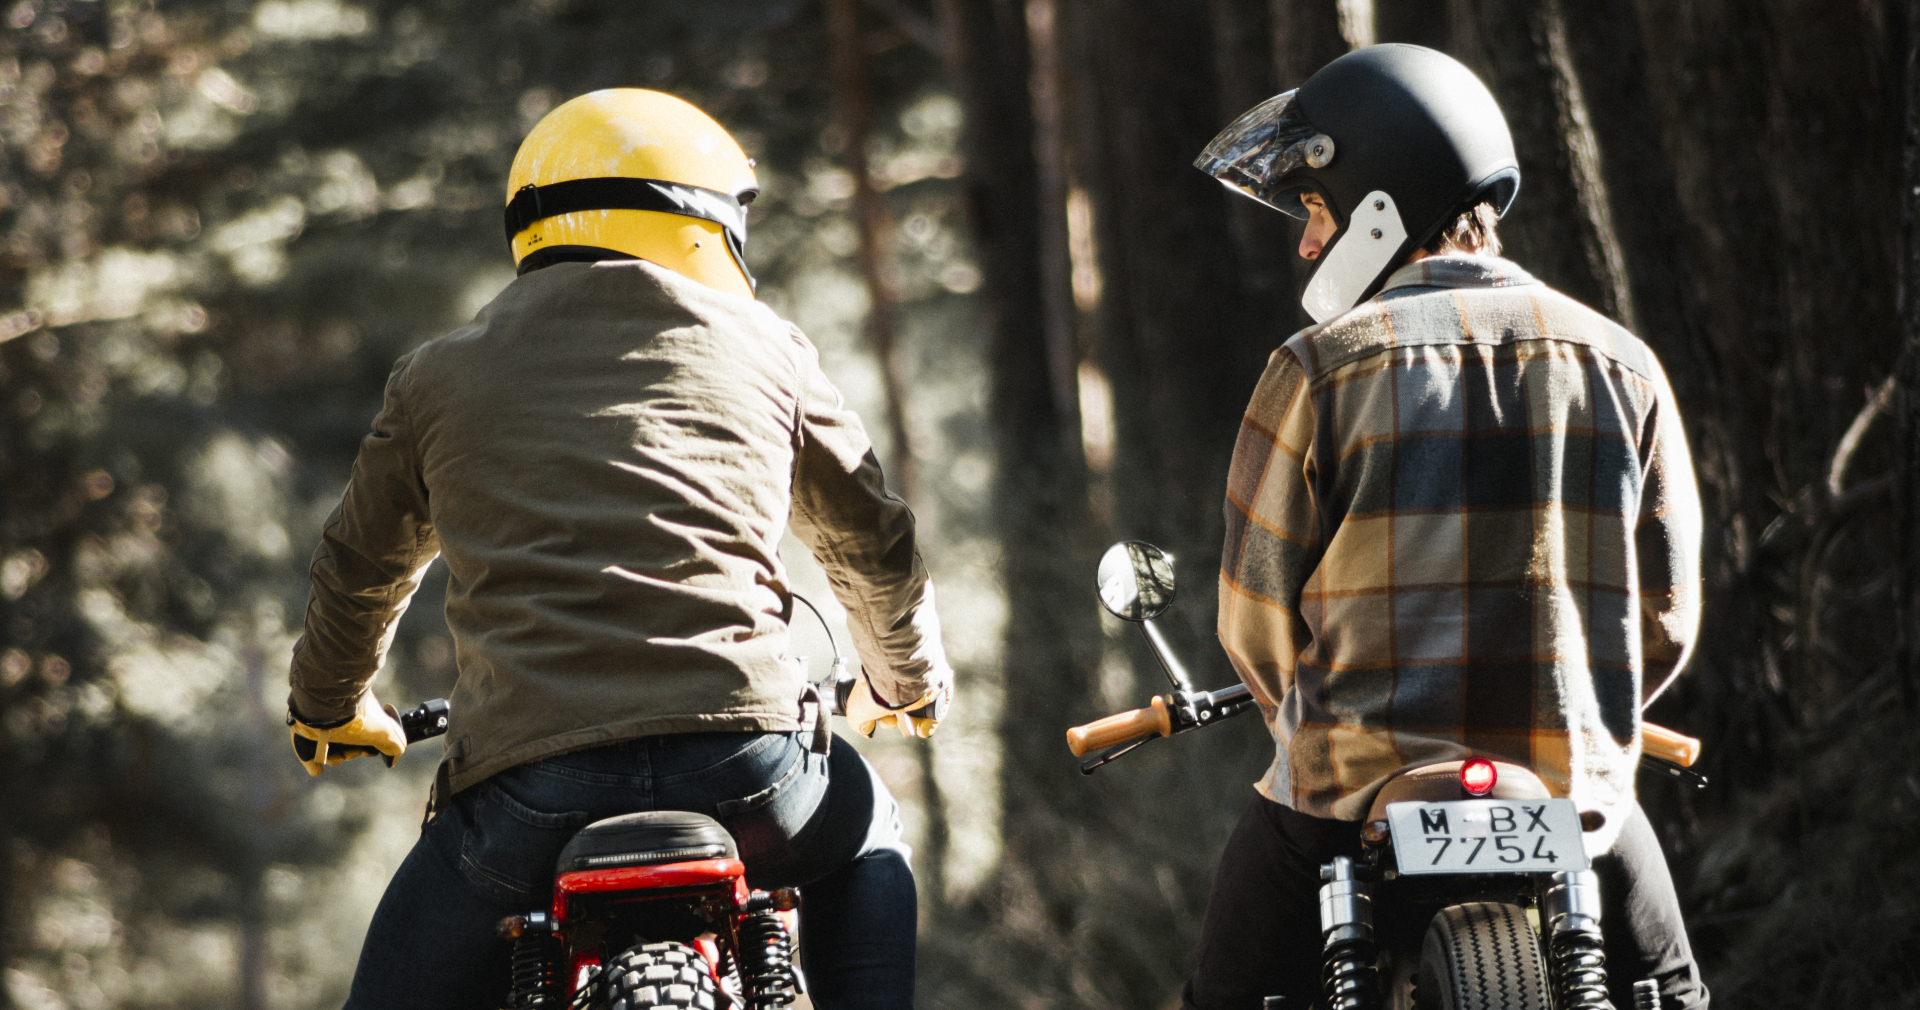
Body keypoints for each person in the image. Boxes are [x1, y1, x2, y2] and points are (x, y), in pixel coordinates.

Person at [282, 89, 952, 1010]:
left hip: (527, 794)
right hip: (753, 772)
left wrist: (330, 709)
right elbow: (873, 544)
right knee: (871, 834)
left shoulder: (435, 375)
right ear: (701, 216)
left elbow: (357, 570)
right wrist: (905, 682)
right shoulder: (769, 349)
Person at [1185, 45, 1709, 1009]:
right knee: (1674, 994)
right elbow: (1666, 620)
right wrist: (1586, 721)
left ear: (1379, 205)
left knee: (1222, 995)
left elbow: (1252, 621)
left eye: (1315, 209)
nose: (1308, 244)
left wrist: (1317, 721)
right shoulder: (1624, 366)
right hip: (1569, 782)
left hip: (1351, 789)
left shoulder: (1314, 370)